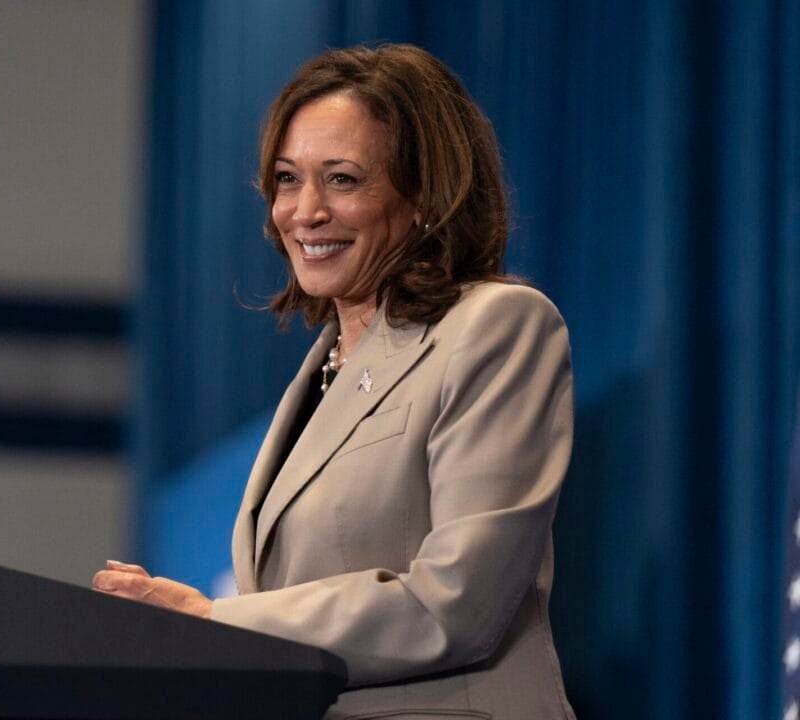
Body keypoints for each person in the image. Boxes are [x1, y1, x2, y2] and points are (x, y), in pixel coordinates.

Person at [94, 44, 576, 720]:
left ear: (425, 194)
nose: (305, 211)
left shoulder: (497, 327)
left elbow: (459, 603)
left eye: (343, 179)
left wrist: (219, 619)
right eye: (288, 179)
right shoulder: (322, 366)